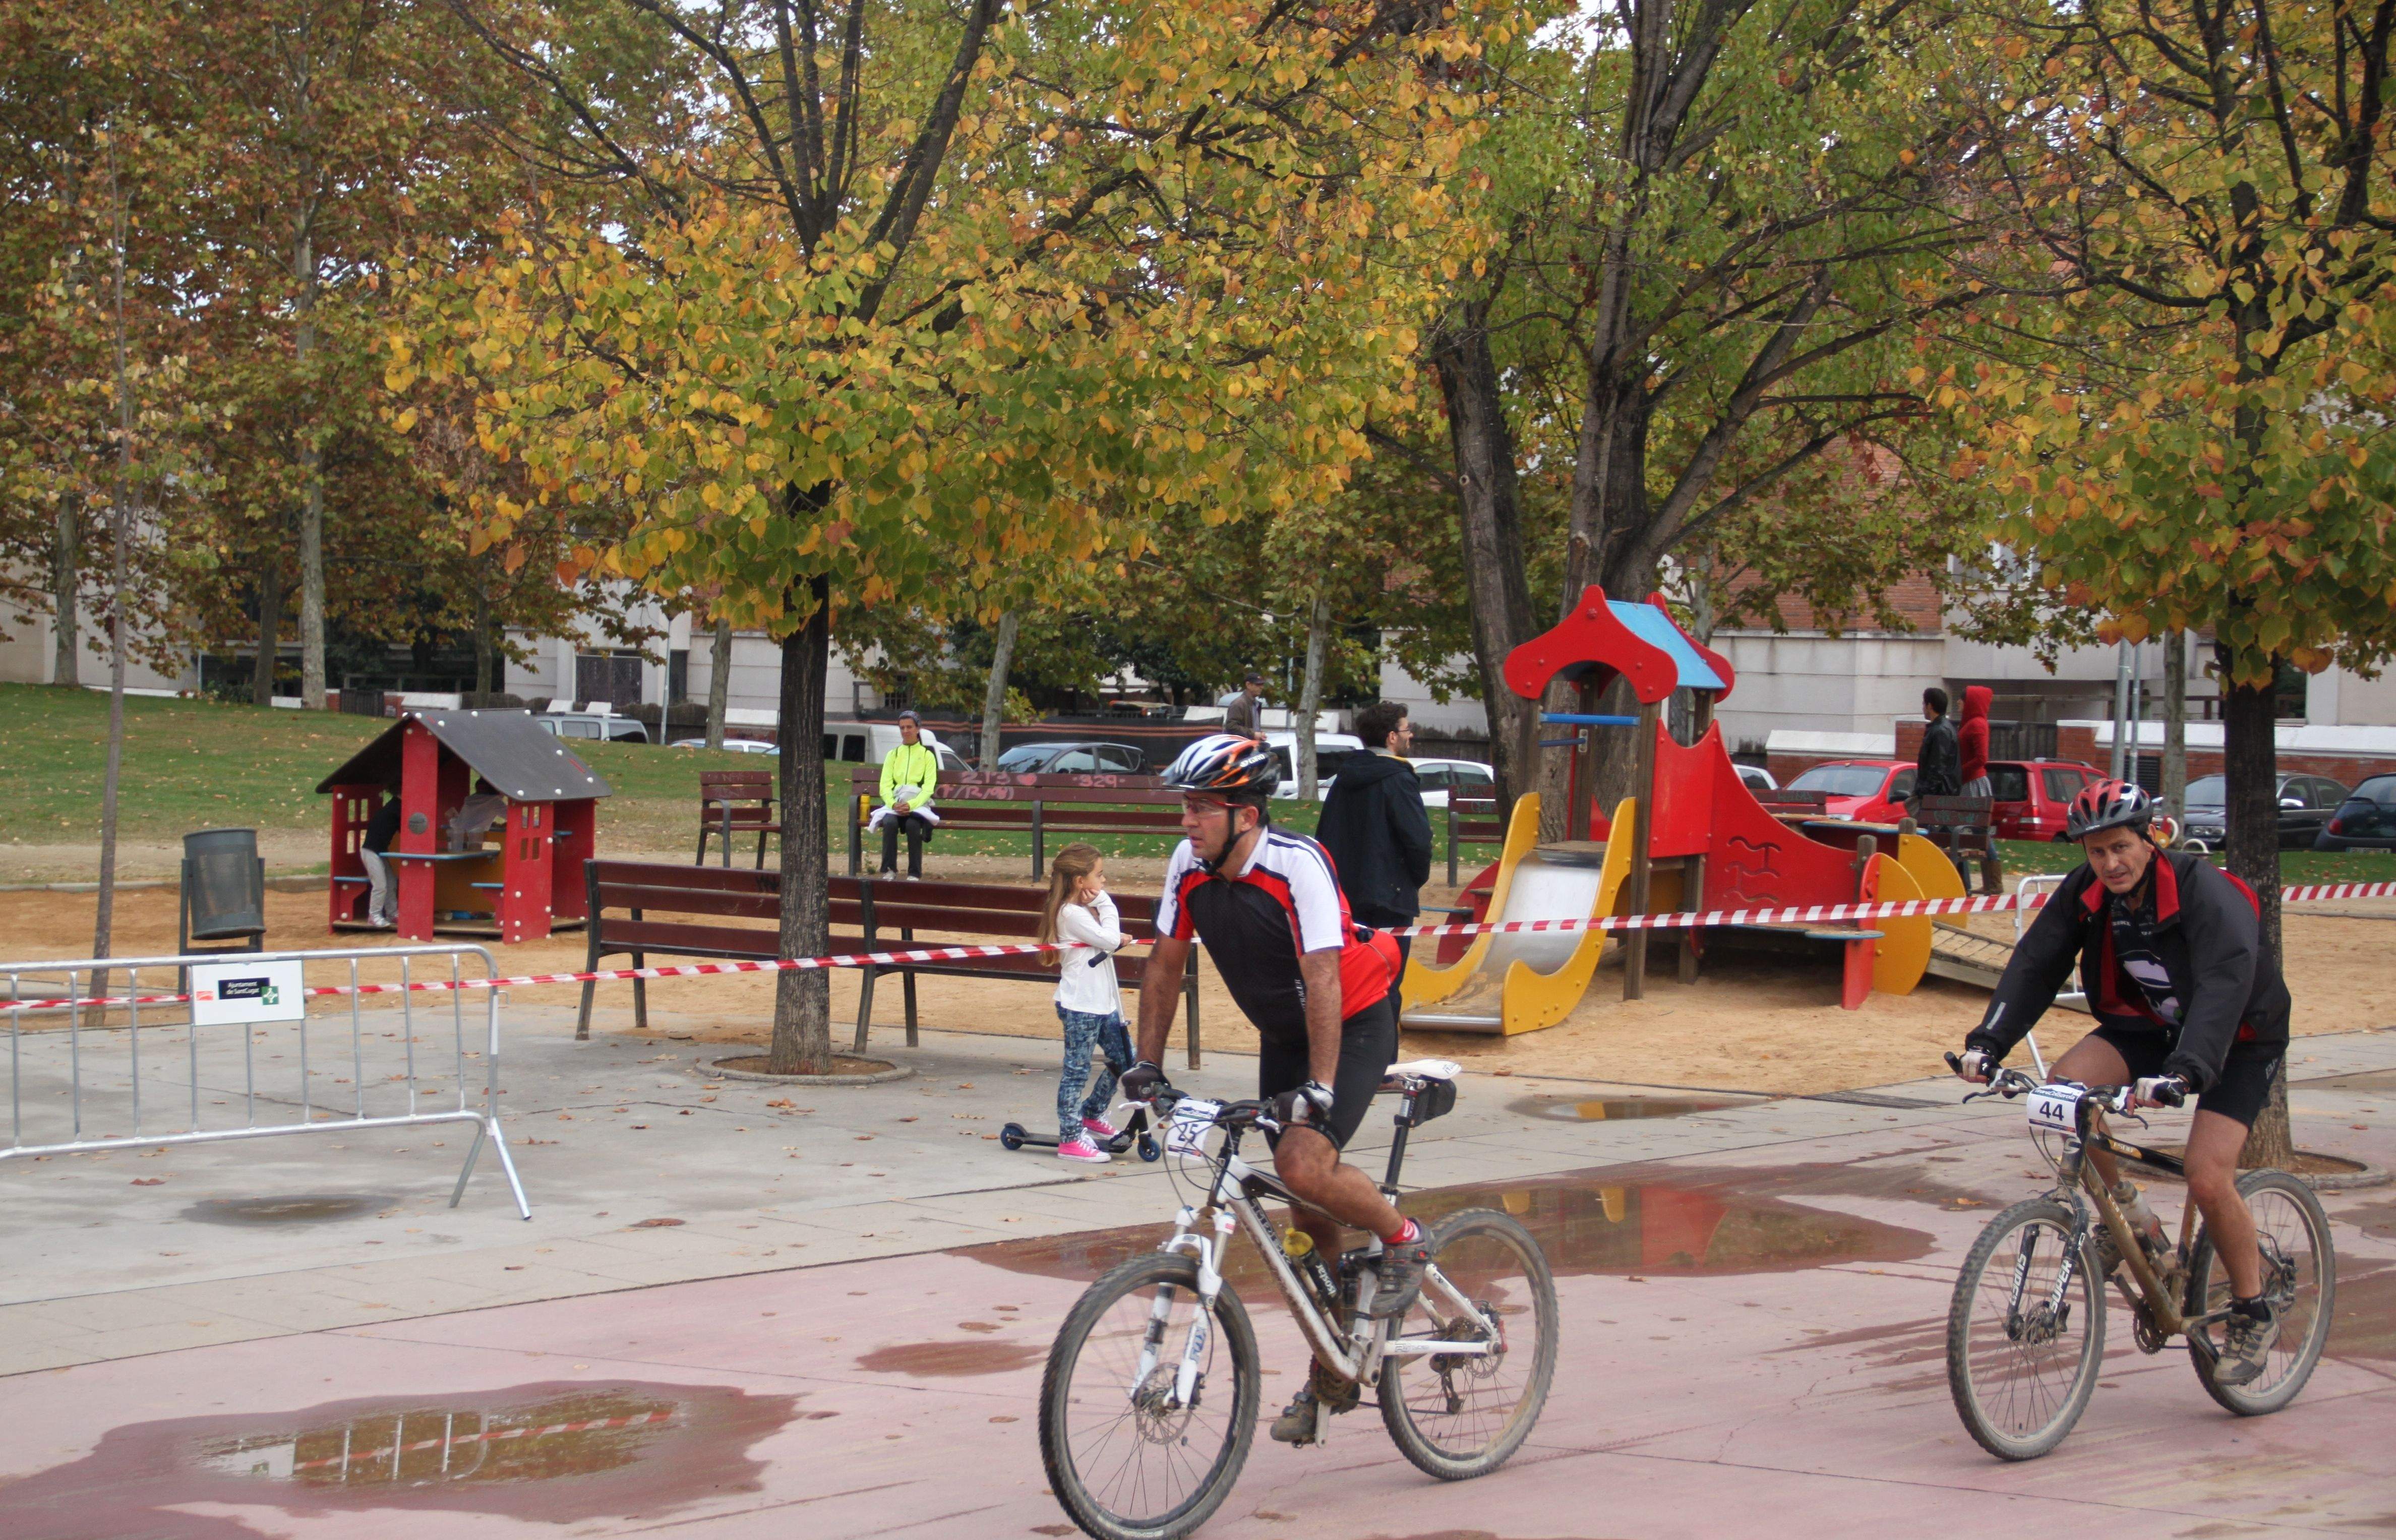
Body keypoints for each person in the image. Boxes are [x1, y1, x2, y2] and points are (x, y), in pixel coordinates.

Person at [1119, 732, 1423, 1446]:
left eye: (1201, 807)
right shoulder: (1188, 865)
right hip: (1285, 1031)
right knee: (1300, 1215)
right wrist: (1146, 1066)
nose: (1187, 821)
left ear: (1246, 815)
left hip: (1353, 1018)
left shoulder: (1297, 863)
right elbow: (1165, 963)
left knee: (1302, 1163)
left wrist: (1320, 1087)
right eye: (1186, 806)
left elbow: (1324, 975)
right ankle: (1334, 1361)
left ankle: (1405, 1239)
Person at [1954, 778, 2292, 1386]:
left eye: (2120, 847)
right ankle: (2131, 1217)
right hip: (2152, 1026)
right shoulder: (2087, 892)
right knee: (2064, 1090)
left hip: (2240, 1036)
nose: (2110, 863)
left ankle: (2252, 1309)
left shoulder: (2202, 891)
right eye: (2097, 851)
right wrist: (1988, 1042)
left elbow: (2225, 982)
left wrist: (2186, 1071)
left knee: (2206, 1175)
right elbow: (2036, 962)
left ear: (2149, 839)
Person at [1315, 700, 1433, 974]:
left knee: (1354, 979)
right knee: (1387, 980)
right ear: (1392, 737)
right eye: (1407, 730)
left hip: (1346, 895)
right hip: (1389, 898)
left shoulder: (1344, 777)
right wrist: (1413, 879)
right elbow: (1418, 840)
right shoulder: (1399, 779)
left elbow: (1325, 834)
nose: (1411, 735)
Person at [1038, 843, 1134, 1165]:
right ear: (1081, 881)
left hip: (1104, 1003)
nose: (1104, 881)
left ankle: (1092, 1113)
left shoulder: (1082, 911)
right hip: (1081, 1005)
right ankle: (1070, 1137)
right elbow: (1109, 939)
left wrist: (1112, 934)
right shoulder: (1071, 913)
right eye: (1100, 875)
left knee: (1126, 1059)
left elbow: (1107, 939)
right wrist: (1106, 904)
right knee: (1076, 1071)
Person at [870, 710, 942, 879]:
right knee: (889, 823)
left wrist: (911, 805)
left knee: (913, 826)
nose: (905, 731)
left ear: (918, 729)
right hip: (895, 804)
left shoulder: (927, 756)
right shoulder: (893, 755)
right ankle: (889, 869)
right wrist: (893, 804)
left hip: (917, 805)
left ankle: (914, 872)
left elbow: (928, 788)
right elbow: (885, 785)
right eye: (902, 728)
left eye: (909, 727)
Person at [1914, 686, 1960, 812]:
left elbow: (1937, 767)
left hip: (1938, 797)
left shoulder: (1940, 731)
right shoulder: (1944, 728)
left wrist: (1925, 794)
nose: (1923, 708)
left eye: (1924, 704)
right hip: (1940, 794)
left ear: (1930, 706)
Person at [359, 794, 401, 928]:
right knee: (380, 885)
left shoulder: (394, 807)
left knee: (391, 882)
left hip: (380, 852)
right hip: (371, 851)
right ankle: (374, 915)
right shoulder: (396, 808)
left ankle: (392, 913)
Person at [447, 777, 508, 851]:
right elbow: (513, 817)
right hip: (474, 842)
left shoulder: (470, 800)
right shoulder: (494, 802)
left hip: (458, 842)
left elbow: (473, 819)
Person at [1958, 685, 1993, 798]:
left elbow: (1981, 758)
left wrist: (1959, 771)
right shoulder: (1971, 723)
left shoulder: (1977, 724)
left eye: (1963, 699)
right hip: (1968, 781)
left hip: (1973, 783)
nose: (1958, 702)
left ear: (1971, 702)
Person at [1220, 670, 1267, 736]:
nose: (1262, 687)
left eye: (1262, 685)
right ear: (1248, 685)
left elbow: (1254, 728)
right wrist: (1253, 734)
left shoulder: (1256, 704)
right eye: (1258, 685)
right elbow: (1231, 727)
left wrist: (1260, 733)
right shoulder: (1239, 704)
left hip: (1251, 741)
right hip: (1241, 742)